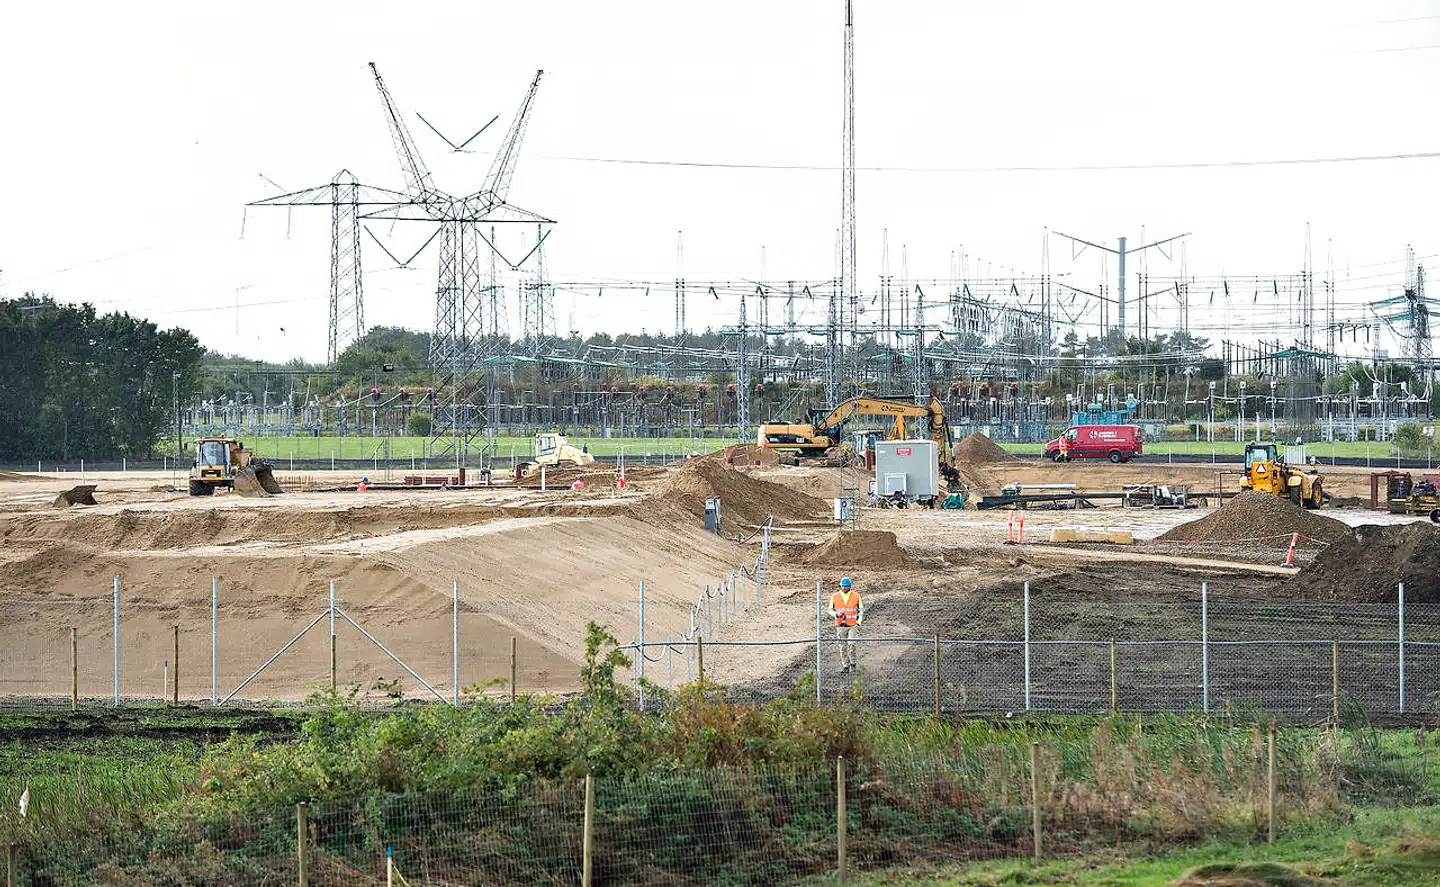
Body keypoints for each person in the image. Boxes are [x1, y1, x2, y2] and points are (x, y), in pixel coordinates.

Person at [828, 576, 864, 673]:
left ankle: (853, 663)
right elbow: (830, 610)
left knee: (851, 645)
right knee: (842, 647)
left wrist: (858, 621)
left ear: (850, 587)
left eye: (846, 586)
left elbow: (861, 610)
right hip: (840, 625)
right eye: (843, 586)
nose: (844, 588)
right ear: (840, 586)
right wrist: (836, 614)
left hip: (852, 625)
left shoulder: (856, 596)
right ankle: (845, 665)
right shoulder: (835, 596)